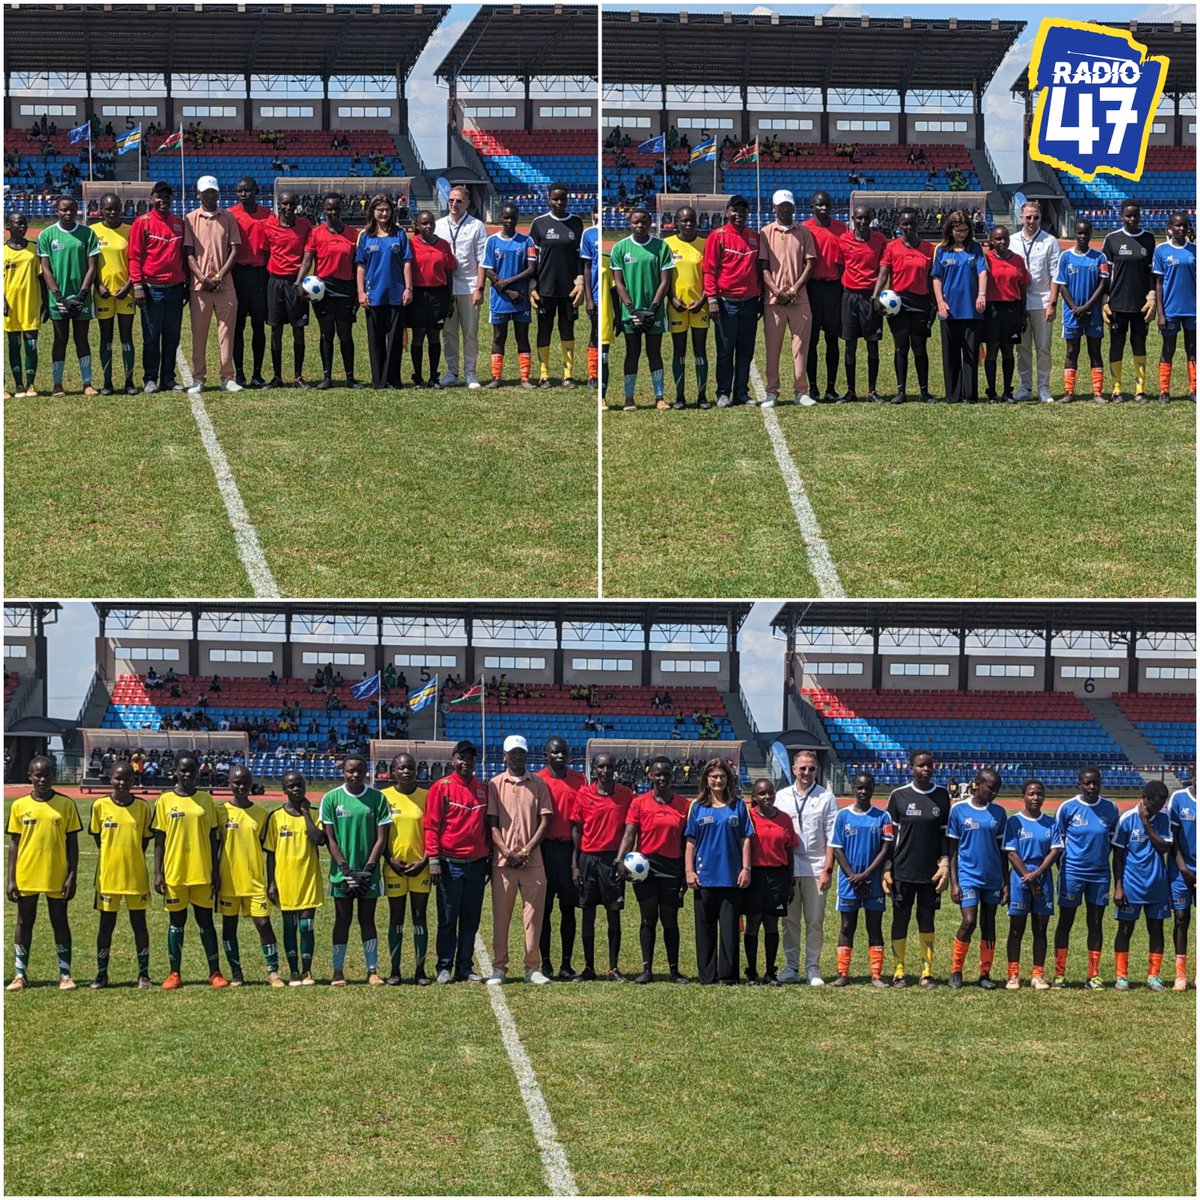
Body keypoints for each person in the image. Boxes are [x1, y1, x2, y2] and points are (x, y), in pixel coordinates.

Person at [151, 752, 227, 989]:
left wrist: (215, 871)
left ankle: (215, 973)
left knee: (206, 922)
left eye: (192, 771)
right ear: (174, 770)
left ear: (198, 772)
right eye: (183, 770)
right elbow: (159, 841)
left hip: (202, 873)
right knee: (176, 922)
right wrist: (158, 872)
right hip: (175, 873)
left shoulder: (206, 800)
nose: (187, 774)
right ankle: (174, 973)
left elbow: (214, 839)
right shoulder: (164, 800)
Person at [6, 756, 81, 991]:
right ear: (30, 776)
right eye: (37, 775)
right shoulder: (19, 806)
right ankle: (20, 975)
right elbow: (14, 844)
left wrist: (72, 875)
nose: (42, 779)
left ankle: (65, 974)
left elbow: (73, 844)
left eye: (47, 775)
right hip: (27, 873)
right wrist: (10, 879)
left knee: (59, 921)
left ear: (54, 776)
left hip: (56, 874)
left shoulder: (66, 804)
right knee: (24, 921)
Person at [616, 755, 690, 983]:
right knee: (648, 919)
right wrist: (619, 860)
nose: (662, 778)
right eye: (658, 774)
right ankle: (647, 970)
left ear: (672, 776)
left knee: (670, 920)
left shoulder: (683, 805)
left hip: (672, 867)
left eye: (666, 774)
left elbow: (687, 841)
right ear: (650, 775)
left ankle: (674, 971)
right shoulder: (639, 803)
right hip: (645, 868)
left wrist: (687, 871)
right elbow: (630, 834)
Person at [486, 735, 553, 985]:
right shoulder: (494, 784)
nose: (516, 757)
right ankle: (499, 967)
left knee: (533, 918)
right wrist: (507, 852)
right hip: (504, 864)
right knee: (501, 918)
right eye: (512, 753)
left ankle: (532, 968)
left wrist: (525, 851)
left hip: (532, 862)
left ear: (527, 755)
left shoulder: (538, 784)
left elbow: (545, 820)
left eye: (521, 752)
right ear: (504, 755)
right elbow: (492, 824)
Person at [318, 755, 391, 986]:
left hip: (369, 873)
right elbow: (330, 839)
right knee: (342, 920)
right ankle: (337, 972)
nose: (355, 775)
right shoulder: (331, 799)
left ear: (366, 772)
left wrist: (368, 869)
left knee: (367, 919)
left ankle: (372, 971)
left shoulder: (377, 798)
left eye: (359, 771)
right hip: (342, 874)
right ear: (343, 772)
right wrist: (347, 870)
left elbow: (382, 838)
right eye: (350, 771)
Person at [425, 740, 490, 983]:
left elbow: (488, 826)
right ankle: (444, 967)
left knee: (471, 919)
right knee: (448, 919)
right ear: (453, 760)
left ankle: (465, 966)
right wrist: (433, 859)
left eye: (470, 758)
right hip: (449, 864)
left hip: (476, 864)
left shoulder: (483, 788)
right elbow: (431, 826)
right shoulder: (441, 788)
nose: (466, 762)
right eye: (461, 757)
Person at [885, 749, 951, 987]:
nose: (925, 769)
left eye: (929, 766)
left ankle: (927, 971)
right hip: (902, 870)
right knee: (900, 919)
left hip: (930, 872)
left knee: (927, 919)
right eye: (921, 765)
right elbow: (889, 837)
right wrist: (887, 867)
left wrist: (945, 863)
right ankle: (899, 970)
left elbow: (945, 835)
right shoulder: (898, 795)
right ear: (910, 768)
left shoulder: (942, 796)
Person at [1049, 766, 1119, 988]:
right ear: (1079, 784)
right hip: (1072, 872)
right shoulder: (1067, 808)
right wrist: (1066, 868)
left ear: (1100, 783)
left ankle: (1094, 975)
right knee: (1065, 922)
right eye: (1087, 783)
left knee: (1095, 922)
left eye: (1095, 783)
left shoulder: (1110, 808)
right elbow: (1057, 844)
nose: (1091, 787)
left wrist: (1097, 862)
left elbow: (1110, 842)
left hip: (1099, 875)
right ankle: (1060, 974)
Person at [684, 758, 753, 985]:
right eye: (713, 776)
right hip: (704, 877)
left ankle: (728, 975)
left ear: (728, 779)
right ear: (706, 779)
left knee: (730, 928)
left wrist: (746, 868)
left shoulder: (738, 805)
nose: (718, 780)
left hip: (731, 876)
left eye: (722, 776)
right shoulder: (697, 806)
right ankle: (707, 975)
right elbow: (690, 842)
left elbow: (745, 840)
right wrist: (689, 871)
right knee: (705, 928)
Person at [214, 764, 281, 986]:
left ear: (252, 783)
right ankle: (236, 973)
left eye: (245, 782)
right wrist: (214, 875)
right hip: (228, 881)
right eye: (236, 782)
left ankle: (273, 972)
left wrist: (272, 882)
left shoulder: (262, 815)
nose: (241, 786)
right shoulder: (220, 811)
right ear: (229, 784)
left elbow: (270, 850)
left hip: (254, 881)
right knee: (229, 926)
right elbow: (214, 847)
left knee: (263, 924)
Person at [774, 748, 837, 985]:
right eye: (802, 768)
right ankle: (791, 967)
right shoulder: (781, 796)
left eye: (811, 768)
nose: (807, 773)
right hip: (788, 865)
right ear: (793, 769)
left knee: (814, 920)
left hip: (816, 864)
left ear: (816, 769)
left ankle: (813, 968)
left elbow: (832, 837)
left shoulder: (825, 797)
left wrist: (827, 870)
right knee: (789, 921)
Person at [87, 761, 152, 989]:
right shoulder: (100, 806)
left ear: (134, 781)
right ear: (110, 779)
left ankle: (143, 974)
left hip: (135, 877)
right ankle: (101, 974)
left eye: (127, 779)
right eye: (118, 778)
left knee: (139, 924)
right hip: (108, 878)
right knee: (106, 926)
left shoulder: (143, 807)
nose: (122, 783)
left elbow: (144, 841)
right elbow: (98, 838)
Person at [572, 751, 634, 981]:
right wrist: (574, 865)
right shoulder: (583, 795)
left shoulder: (626, 795)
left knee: (613, 914)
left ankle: (613, 968)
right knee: (587, 914)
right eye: (601, 767)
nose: (606, 771)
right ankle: (589, 968)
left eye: (610, 767)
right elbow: (576, 830)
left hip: (612, 861)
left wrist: (620, 860)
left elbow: (630, 830)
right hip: (588, 859)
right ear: (594, 769)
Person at [828, 771, 892, 987]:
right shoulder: (842, 816)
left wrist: (866, 875)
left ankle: (876, 975)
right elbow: (837, 848)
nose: (863, 791)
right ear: (854, 788)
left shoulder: (883, 817)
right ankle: (843, 973)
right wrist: (852, 876)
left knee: (874, 927)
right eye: (859, 787)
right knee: (847, 926)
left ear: (873, 788)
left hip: (873, 881)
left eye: (867, 787)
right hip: (849, 882)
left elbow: (885, 849)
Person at [263, 769, 325, 985]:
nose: (296, 789)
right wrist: (271, 883)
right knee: (289, 926)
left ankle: (307, 971)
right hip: (284, 881)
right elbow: (270, 853)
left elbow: (319, 839)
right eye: (291, 786)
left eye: (299, 784)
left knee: (306, 926)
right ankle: (294, 971)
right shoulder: (276, 818)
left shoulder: (315, 814)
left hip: (309, 878)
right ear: (284, 790)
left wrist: (306, 813)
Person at [946, 768, 1007, 989]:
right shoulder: (959, 811)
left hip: (992, 878)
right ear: (977, 784)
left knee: (988, 924)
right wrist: (954, 883)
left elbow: (1003, 851)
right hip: (968, 876)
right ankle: (955, 970)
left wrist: (1006, 882)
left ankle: (985, 973)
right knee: (969, 921)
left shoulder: (999, 813)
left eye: (997, 789)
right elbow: (952, 850)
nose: (994, 793)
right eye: (991, 788)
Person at [295, 191, 361, 390]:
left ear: (342, 210)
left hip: (346, 288)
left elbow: (358, 265)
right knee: (327, 333)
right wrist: (299, 282)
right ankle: (327, 377)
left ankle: (350, 377)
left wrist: (359, 291)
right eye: (329, 209)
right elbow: (307, 260)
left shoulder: (353, 234)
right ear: (324, 211)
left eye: (336, 208)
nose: (333, 212)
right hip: (322, 290)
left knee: (345, 333)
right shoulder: (316, 233)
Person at [183, 174, 242, 394]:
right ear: (198, 194)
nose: (209, 196)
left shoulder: (228, 217)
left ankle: (227, 377)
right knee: (199, 334)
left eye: (213, 192)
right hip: (199, 288)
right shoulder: (189, 219)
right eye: (205, 192)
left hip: (225, 285)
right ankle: (198, 378)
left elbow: (235, 249)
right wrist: (202, 278)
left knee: (226, 333)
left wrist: (219, 276)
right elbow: (189, 253)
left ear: (218, 193)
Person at [757, 188, 816, 408]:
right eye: (781, 206)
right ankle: (772, 392)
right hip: (774, 302)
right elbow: (763, 267)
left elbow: (810, 263)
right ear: (774, 207)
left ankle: (801, 391)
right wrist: (777, 291)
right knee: (773, 348)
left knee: (801, 348)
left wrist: (794, 289)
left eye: (788, 206)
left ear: (793, 207)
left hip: (799, 299)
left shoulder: (803, 232)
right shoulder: (765, 232)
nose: (785, 209)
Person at [611, 207, 674, 411]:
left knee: (654, 352)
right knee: (632, 353)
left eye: (644, 221)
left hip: (654, 311)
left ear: (650, 223)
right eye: (635, 222)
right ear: (629, 223)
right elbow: (618, 283)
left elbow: (665, 281)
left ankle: (660, 397)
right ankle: (629, 398)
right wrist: (632, 309)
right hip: (631, 312)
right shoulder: (620, 248)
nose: (640, 225)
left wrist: (653, 308)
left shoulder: (661, 247)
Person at [1112, 780, 1173, 991]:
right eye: (1154, 804)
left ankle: (1154, 976)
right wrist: (1118, 886)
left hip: (1157, 885)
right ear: (1144, 798)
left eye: (1161, 805)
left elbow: (1164, 847)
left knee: (1156, 929)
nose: (1158, 808)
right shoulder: (1127, 819)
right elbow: (1118, 855)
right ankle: (1121, 976)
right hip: (1131, 885)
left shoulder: (1164, 819)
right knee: (1125, 929)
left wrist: (1147, 824)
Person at [702, 194, 761, 407]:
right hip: (726, 303)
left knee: (746, 350)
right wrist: (712, 299)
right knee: (726, 350)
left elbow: (759, 270)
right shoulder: (717, 236)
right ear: (727, 211)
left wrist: (760, 297)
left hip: (750, 302)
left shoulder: (754, 237)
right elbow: (709, 270)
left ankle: (741, 392)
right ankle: (723, 392)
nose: (739, 214)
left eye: (743, 210)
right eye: (735, 210)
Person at [37, 194, 99, 398]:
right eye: (63, 209)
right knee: (59, 339)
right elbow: (46, 270)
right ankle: (57, 384)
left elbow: (92, 267)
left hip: (81, 298)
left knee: (82, 339)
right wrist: (59, 297)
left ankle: (87, 383)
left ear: (77, 210)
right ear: (57, 210)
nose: (67, 213)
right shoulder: (47, 235)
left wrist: (81, 295)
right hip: (58, 299)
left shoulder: (87, 234)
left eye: (71, 209)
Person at [128, 181, 187, 393]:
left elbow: (184, 256)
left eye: (167, 196)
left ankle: (168, 378)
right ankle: (150, 378)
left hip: (175, 288)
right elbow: (134, 256)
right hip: (152, 289)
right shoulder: (142, 223)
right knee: (152, 337)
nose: (164, 200)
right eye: (159, 196)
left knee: (172, 336)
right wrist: (137, 285)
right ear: (152, 198)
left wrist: (186, 284)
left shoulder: (179, 223)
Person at [873, 206, 934, 404]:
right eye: (905, 223)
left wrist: (934, 304)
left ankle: (924, 392)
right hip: (897, 304)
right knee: (901, 347)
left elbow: (933, 279)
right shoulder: (891, 247)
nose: (909, 227)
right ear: (899, 225)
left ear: (918, 224)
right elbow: (883, 274)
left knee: (919, 347)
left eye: (912, 223)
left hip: (921, 302)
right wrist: (875, 297)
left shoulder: (928, 248)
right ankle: (901, 391)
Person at [380, 753, 431, 985]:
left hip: (421, 868)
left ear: (417, 771)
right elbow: (378, 836)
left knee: (419, 918)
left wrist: (424, 861)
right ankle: (395, 971)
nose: (406, 771)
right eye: (401, 768)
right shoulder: (383, 798)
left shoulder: (427, 797)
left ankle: (420, 971)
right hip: (394, 869)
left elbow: (434, 833)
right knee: (396, 918)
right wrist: (390, 860)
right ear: (393, 772)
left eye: (410, 767)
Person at [535, 736, 584, 979]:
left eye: (563, 752)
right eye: (554, 752)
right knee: (543, 911)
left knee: (568, 909)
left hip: (569, 852)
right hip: (544, 851)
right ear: (546, 755)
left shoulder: (579, 781)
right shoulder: (537, 781)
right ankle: (545, 963)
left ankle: (566, 964)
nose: (559, 756)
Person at [1101, 198, 1158, 403]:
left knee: (1139, 343)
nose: (1132, 219)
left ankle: (1139, 389)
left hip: (1141, 305)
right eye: (1128, 215)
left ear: (1140, 215)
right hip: (1117, 303)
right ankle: (1116, 389)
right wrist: (1104, 301)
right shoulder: (1112, 239)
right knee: (1117, 344)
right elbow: (1105, 274)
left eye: (1135, 215)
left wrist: (1152, 296)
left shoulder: (1149, 239)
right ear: (1121, 216)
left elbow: (1153, 273)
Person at [354, 192, 412, 390]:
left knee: (394, 339)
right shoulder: (365, 236)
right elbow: (360, 266)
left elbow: (406, 263)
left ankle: (394, 379)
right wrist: (361, 292)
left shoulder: (400, 234)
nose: (384, 213)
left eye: (387, 210)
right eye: (380, 210)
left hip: (396, 294)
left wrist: (408, 288)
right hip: (373, 295)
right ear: (373, 212)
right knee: (376, 339)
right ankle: (378, 380)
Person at [530, 183, 585, 389]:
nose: (559, 202)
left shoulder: (576, 223)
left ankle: (567, 375)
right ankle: (544, 375)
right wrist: (532, 285)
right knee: (544, 329)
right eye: (555, 199)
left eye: (562, 199)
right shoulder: (539, 223)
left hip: (569, 289)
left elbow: (581, 257)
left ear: (567, 199)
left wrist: (580, 280)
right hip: (545, 287)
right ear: (548, 199)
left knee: (567, 329)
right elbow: (532, 258)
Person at [1002, 778, 1056, 989]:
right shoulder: (1013, 822)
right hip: (1019, 877)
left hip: (1042, 877)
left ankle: (1037, 974)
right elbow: (1011, 851)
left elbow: (1055, 850)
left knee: (1040, 928)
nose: (1035, 798)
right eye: (1031, 794)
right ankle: (1013, 975)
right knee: (1016, 928)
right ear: (1023, 796)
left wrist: (1037, 874)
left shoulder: (1051, 822)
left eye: (1039, 794)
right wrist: (1027, 876)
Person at [744, 776, 798, 985]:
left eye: (770, 793)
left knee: (771, 924)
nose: (767, 796)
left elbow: (789, 850)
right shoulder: (749, 817)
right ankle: (751, 972)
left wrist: (790, 882)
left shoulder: (784, 819)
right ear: (755, 797)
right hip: (755, 875)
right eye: (762, 793)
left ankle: (770, 972)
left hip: (778, 876)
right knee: (753, 923)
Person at [930, 210, 987, 404]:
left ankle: (970, 395)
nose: (961, 234)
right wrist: (940, 302)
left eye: (964, 230)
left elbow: (983, 273)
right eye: (958, 231)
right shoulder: (941, 250)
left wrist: (981, 295)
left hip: (971, 309)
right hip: (949, 309)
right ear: (950, 230)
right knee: (951, 353)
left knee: (970, 354)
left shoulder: (976, 248)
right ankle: (953, 395)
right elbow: (936, 278)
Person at [435, 185, 489, 388]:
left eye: (458, 201)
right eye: (451, 200)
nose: (454, 204)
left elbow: (483, 260)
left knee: (470, 332)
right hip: (446, 288)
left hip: (469, 286)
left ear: (467, 203)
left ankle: (471, 373)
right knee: (448, 333)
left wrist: (480, 289)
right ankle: (452, 372)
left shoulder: (477, 226)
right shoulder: (439, 225)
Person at [1050, 218, 1109, 402]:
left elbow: (1102, 283)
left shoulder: (1100, 257)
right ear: (1075, 233)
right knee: (1071, 351)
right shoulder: (1065, 257)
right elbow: (1061, 284)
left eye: (1086, 232)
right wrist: (1075, 307)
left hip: (1093, 313)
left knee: (1095, 350)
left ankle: (1097, 393)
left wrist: (1087, 306)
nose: (1082, 236)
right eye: (1079, 233)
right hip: (1072, 312)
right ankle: (1069, 392)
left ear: (1091, 233)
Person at [835, 203, 888, 402]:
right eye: (859, 218)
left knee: (872, 344)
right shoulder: (844, 240)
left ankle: (871, 391)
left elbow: (883, 270)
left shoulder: (879, 240)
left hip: (870, 298)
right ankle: (851, 391)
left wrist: (875, 296)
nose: (863, 221)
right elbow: (840, 267)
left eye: (866, 218)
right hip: (850, 297)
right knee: (850, 345)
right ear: (853, 219)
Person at [482, 201, 536, 389]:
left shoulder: (527, 241)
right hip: (501, 298)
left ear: (517, 218)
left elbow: (531, 269)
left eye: (512, 217)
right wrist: (507, 289)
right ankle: (496, 377)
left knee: (522, 336)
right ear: (501, 218)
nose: (509, 221)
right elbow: (488, 270)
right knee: (498, 337)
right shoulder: (492, 241)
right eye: (506, 217)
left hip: (521, 298)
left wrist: (509, 283)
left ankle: (525, 378)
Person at [1012, 200, 1060, 403]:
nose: (1032, 221)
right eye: (1028, 217)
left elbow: (1055, 275)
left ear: (1041, 218)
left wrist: (1052, 304)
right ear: (1021, 218)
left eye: (1036, 217)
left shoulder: (1050, 241)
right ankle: (1025, 387)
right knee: (1022, 348)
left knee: (1043, 346)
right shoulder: (1012, 240)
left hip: (1042, 301)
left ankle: (1043, 388)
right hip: (1019, 302)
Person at [91, 192, 137, 395]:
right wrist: (97, 285)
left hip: (125, 293)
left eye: (116, 208)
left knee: (126, 337)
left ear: (122, 209)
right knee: (106, 338)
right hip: (103, 294)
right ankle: (107, 383)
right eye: (108, 208)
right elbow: (89, 264)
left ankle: (129, 382)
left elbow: (136, 261)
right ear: (101, 209)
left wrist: (128, 286)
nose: (112, 212)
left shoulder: (130, 230)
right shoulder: (92, 232)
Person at [664, 205, 709, 409]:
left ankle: (702, 396)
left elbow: (711, 276)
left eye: (692, 220)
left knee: (700, 351)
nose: (688, 224)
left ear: (697, 222)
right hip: (676, 307)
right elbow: (662, 278)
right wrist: (672, 299)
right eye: (684, 220)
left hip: (700, 306)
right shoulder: (667, 245)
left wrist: (703, 300)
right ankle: (680, 396)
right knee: (679, 352)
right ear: (676, 222)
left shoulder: (705, 245)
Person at [227, 176, 271, 388]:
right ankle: (240, 373)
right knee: (238, 327)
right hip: (237, 274)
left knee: (258, 326)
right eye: (240, 191)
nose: (244, 194)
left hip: (260, 275)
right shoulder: (230, 215)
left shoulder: (267, 216)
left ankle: (257, 373)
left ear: (257, 191)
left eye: (248, 190)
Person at [802, 190, 846, 401]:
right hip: (811, 288)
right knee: (811, 341)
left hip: (833, 289)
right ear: (812, 206)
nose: (824, 208)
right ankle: (813, 388)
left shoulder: (841, 228)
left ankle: (831, 388)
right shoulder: (804, 229)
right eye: (819, 205)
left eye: (827, 204)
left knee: (832, 339)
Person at [407, 209, 456, 389]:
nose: (428, 226)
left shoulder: (443, 245)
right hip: (418, 294)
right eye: (424, 223)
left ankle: (433, 377)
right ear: (417, 226)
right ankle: (418, 377)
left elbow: (449, 271)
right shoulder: (411, 245)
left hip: (438, 294)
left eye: (431, 223)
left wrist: (449, 299)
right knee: (418, 335)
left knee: (434, 334)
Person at [981, 224, 1030, 403]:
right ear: (991, 240)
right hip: (992, 309)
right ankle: (992, 392)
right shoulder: (985, 259)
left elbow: (1022, 287)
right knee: (992, 349)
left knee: (1008, 350)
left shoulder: (1017, 260)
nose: (1002, 241)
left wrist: (1023, 314)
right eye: (998, 238)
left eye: (1005, 238)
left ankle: (1007, 391)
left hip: (1012, 309)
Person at [1152, 210, 1196, 403]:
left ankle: (1194, 389)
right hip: (1170, 309)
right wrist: (1160, 313)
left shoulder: (1195, 250)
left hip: (1193, 309)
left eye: (1184, 225)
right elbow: (1159, 284)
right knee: (1168, 348)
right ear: (1169, 227)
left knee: (1193, 349)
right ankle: (1164, 390)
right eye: (1177, 225)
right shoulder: (1161, 251)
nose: (1181, 228)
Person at [3, 211, 47, 399]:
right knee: (14, 345)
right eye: (18, 223)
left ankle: (30, 384)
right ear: (8, 226)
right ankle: (18, 384)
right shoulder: (3, 251)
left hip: (31, 303)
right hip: (10, 306)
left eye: (24, 223)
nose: (22, 226)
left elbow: (42, 278)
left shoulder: (34, 250)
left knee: (31, 345)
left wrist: (46, 303)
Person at [1167, 775, 1196, 989]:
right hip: (1181, 868)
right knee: (1181, 918)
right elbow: (1173, 837)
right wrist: (1182, 867)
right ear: (1192, 776)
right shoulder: (1178, 798)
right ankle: (1180, 975)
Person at [580, 208, 601, 388]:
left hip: (616, 294)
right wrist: (589, 298)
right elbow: (587, 267)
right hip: (595, 294)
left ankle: (605, 371)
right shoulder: (589, 234)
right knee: (595, 332)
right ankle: (593, 374)